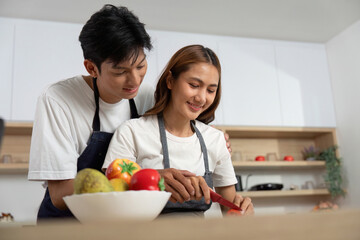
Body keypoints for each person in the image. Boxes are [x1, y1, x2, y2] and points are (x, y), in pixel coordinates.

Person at [28, 4, 231, 220]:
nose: (134, 81)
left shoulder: (144, 95)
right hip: (68, 225)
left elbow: (185, 122)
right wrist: (149, 178)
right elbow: (60, 195)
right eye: (120, 71)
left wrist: (216, 139)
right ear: (91, 68)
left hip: (118, 225)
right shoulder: (58, 101)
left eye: (141, 66)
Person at [103, 45, 254, 216]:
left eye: (211, 90)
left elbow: (230, 208)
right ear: (170, 81)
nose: (202, 98)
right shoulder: (131, 132)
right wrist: (152, 179)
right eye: (194, 85)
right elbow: (109, 196)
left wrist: (242, 211)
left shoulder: (215, 139)